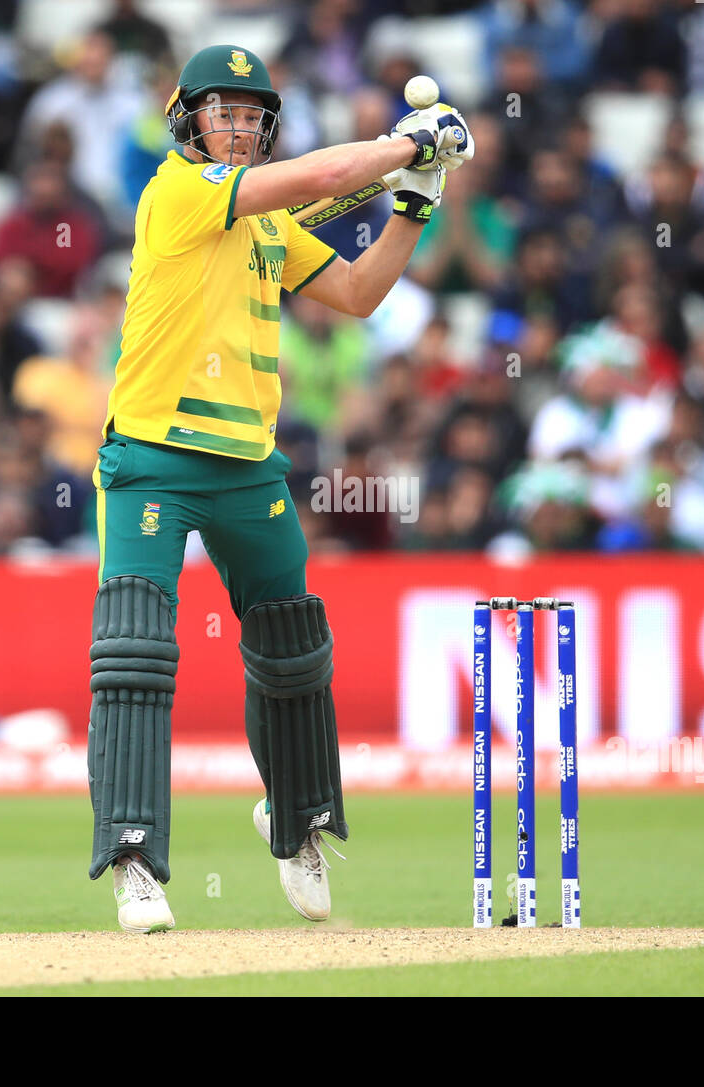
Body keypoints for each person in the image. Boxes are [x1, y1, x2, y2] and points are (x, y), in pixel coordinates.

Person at [85, 44, 472, 933]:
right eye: (223, 110)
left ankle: (295, 820)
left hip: (249, 464)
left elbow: (359, 291)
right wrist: (402, 143)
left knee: (293, 648)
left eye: (254, 115)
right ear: (188, 118)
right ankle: (135, 858)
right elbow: (330, 172)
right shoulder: (179, 192)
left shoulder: (264, 222)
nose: (240, 126)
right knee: (136, 650)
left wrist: (416, 200)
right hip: (152, 453)